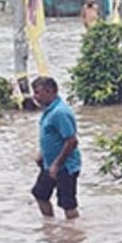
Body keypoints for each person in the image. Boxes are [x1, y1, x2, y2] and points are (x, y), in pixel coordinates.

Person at [29, 76, 81, 220]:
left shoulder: (60, 112)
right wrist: (42, 155)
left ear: (49, 91)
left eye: (38, 93)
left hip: (65, 167)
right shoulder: (49, 111)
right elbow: (51, 137)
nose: (35, 97)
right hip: (49, 164)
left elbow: (71, 141)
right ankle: (50, 226)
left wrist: (56, 165)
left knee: (68, 205)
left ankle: (73, 234)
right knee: (40, 194)